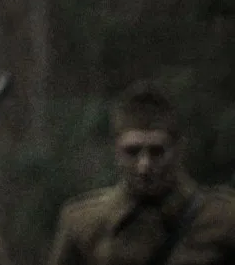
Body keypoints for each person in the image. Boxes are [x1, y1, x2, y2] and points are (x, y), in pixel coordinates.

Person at [47, 82, 235, 265]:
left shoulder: (223, 219)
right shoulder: (83, 224)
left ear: (179, 150)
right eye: (132, 152)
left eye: (157, 152)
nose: (144, 166)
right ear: (116, 152)